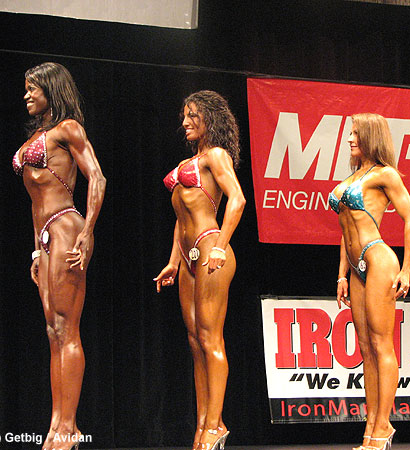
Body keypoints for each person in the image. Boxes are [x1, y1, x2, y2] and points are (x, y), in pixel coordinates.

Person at [13, 62, 106, 450]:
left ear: (51, 89)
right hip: (46, 235)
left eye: (32, 88)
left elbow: (97, 177)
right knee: (53, 332)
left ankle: (69, 426)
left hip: (68, 227)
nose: (26, 95)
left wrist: (88, 231)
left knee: (67, 327)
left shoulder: (69, 129)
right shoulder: (36, 136)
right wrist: (37, 249)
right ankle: (57, 425)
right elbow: (35, 204)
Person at [154, 90, 245, 450]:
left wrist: (221, 246)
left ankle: (215, 424)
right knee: (195, 343)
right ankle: (204, 424)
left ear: (211, 118)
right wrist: (173, 262)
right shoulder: (189, 161)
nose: (186, 122)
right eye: (184, 116)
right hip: (188, 255)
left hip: (211, 249)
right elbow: (181, 218)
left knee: (210, 339)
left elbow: (237, 199)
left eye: (193, 115)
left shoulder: (216, 155)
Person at [330, 113, 410, 450]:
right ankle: (371, 424)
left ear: (371, 136)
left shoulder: (386, 174)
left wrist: (406, 270)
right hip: (356, 267)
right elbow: (344, 231)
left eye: (356, 133)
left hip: (379, 259)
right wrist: (341, 273)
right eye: (350, 133)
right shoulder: (353, 177)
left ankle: (384, 424)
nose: (350, 139)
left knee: (382, 344)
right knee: (365, 348)